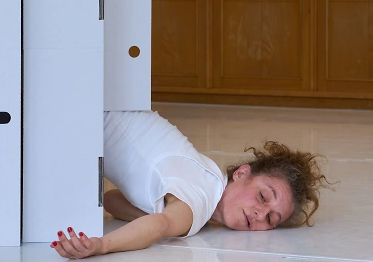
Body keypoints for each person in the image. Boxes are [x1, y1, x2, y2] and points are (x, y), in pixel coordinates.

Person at [51, 110, 331, 259]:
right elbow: (160, 225)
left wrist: (170, 221)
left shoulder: (204, 181)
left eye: (271, 219)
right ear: (241, 173)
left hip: (88, 117)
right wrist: (101, 246)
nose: (260, 214)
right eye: (262, 196)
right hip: (81, 112)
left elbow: (113, 201)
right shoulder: (201, 193)